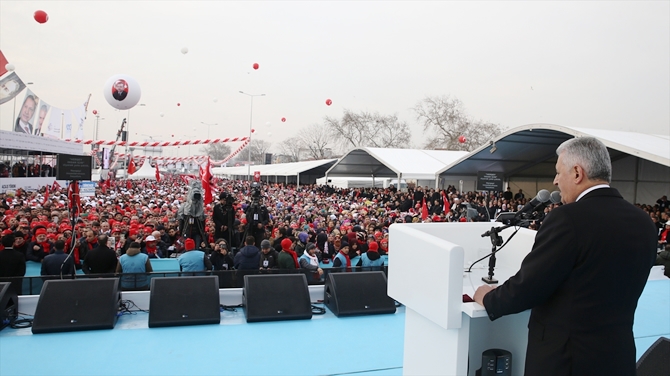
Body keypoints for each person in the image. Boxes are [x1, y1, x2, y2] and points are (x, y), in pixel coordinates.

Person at [473, 137, 657, 376]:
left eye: (559, 172)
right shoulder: (643, 222)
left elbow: (529, 286)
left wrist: (489, 298)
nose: (555, 181)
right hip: (617, 357)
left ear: (577, 173)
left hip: (567, 361)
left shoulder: (568, 219)